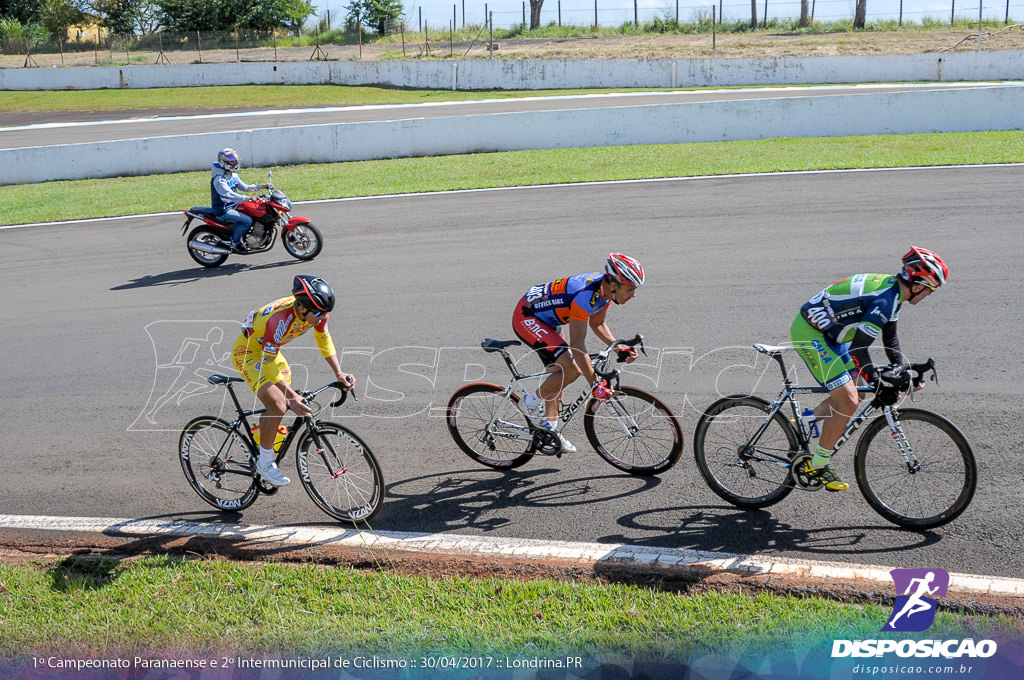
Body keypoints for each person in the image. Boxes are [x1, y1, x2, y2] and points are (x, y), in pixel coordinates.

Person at [789, 246, 949, 492]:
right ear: (918, 284)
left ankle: (802, 422)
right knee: (849, 400)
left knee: (858, 392)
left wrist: (901, 372)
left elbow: (891, 341)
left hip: (833, 334)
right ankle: (818, 466)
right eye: (931, 289)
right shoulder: (885, 300)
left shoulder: (895, 294)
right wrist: (877, 381)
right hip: (811, 333)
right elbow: (859, 350)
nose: (929, 294)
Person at [512, 252, 644, 453]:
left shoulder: (604, 293)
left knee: (560, 374)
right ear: (614, 284)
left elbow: (597, 323)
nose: (633, 294)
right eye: (630, 289)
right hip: (528, 317)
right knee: (572, 369)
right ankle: (529, 403)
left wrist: (619, 347)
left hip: (549, 319)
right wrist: (595, 385)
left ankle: (551, 432)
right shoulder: (585, 296)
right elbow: (577, 344)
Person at [231, 275, 355, 486]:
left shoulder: (316, 312)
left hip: (271, 354)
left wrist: (338, 372)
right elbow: (267, 363)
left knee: (283, 404)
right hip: (249, 354)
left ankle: (262, 440)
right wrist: (291, 396)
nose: (322, 317)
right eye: (318, 313)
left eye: (325, 313)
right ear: (302, 308)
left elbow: (323, 338)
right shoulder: (279, 320)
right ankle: (265, 463)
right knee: (279, 404)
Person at [210, 148, 272, 253]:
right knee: (246, 221)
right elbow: (229, 194)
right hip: (224, 209)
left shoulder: (232, 174)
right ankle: (235, 242)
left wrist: (262, 186)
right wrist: (247, 198)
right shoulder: (219, 179)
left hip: (235, 205)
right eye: (231, 161)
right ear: (223, 161)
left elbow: (245, 187)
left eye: (234, 160)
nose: (234, 163)